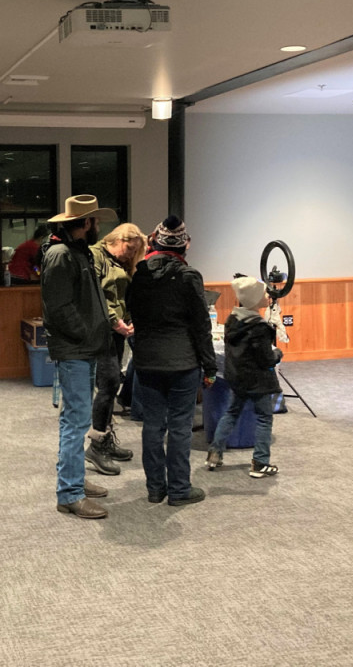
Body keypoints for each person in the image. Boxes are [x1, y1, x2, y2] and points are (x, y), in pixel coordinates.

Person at [128, 215, 218, 506]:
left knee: (152, 425)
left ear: (154, 241)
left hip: (147, 362)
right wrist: (210, 366)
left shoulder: (139, 275)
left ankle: (155, 488)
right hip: (183, 363)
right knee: (180, 427)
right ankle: (179, 489)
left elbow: (134, 315)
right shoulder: (189, 276)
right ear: (185, 245)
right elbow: (201, 326)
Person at [41, 195, 117, 520]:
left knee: (75, 419)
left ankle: (74, 481)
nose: (98, 226)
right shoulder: (61, 255)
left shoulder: (75, 251)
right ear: (86, 223)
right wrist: (86, 334)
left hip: (83, 349)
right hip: (76, 349)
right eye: (95, 220)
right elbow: (59, 307)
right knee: (76, 422)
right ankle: (70, 493)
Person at [205, 276, 283, 478]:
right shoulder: (259, 328)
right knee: (264, 418)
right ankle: (260, 462)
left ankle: (215, 453)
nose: (268, 296)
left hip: (237, 377)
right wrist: (277, 353)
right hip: (258, 381)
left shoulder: (233, 319)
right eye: (264, 293)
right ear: (255, 299)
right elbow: (266, 359)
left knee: (231, 413)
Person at [84, 223, 146, 475]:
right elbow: (96, 294)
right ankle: (96, 446)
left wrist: (129, 319)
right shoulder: (95, 255)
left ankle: (105, 438)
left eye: (135, 251)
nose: (130, 255)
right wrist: (114, 321)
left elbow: (125, 296)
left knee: (111, 384)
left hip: (118, 329)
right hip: (102, 329)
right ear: (118, 239)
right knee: (108, 383)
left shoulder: (121, 262)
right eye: (129, 248)